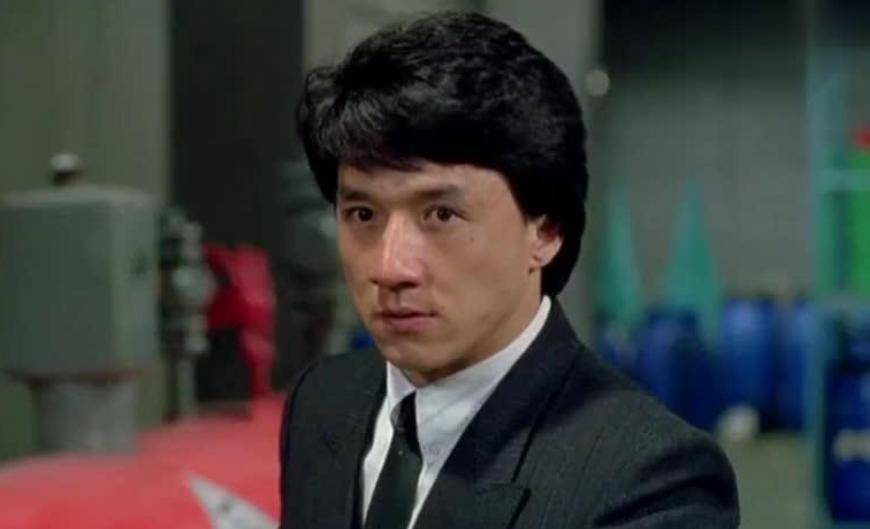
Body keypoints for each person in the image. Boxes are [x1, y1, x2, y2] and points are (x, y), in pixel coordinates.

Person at [279, 11, 739, 529]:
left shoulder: (650, 480)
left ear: (545, 231)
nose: (390, 268)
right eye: (363, 215)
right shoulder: (322, 403)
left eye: (441, 215)